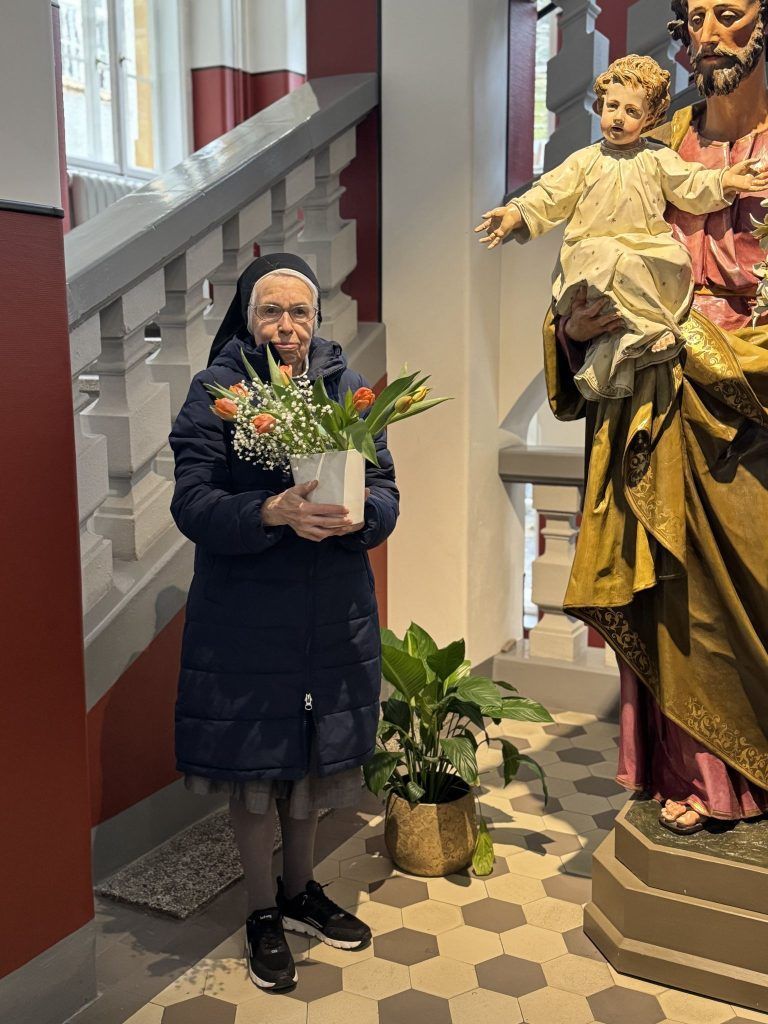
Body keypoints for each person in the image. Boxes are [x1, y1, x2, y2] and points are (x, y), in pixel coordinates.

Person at [482, 0, 768, 837]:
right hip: (652, 397)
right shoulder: (654, 139)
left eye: (731, 12)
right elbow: (580, 256)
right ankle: (700, 775)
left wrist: (711, 349)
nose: (708, 35)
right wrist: (573, 330)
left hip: (747, 412)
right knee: (676, 600)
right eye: (695, 18)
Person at [168, 253, 399, 989]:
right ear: (247, 318)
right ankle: (262, 909)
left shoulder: (346, 389)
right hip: (246, 622)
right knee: (255, 775)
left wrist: (360, 519)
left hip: (332, 618)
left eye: (299, 312)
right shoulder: (218, 391)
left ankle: (301, 891)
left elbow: (387, 486)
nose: (287, 326)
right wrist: (267, 510)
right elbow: (192, 501)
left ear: (316, 320)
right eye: (271, 311)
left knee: (311, 761)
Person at [476, 54, 768, 401]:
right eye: (612, 106)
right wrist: (516, 213)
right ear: (599, 106)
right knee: (616, 264)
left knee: (672, 257)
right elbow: (549, 194)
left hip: (645, 247)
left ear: (649, 119)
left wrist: (725, 181)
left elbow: (690, 184)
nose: (618, 117)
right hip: (594, 250)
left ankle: (641, 337)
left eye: (632, 112)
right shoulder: (585, 161)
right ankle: (646, 332)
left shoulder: (657, 158)